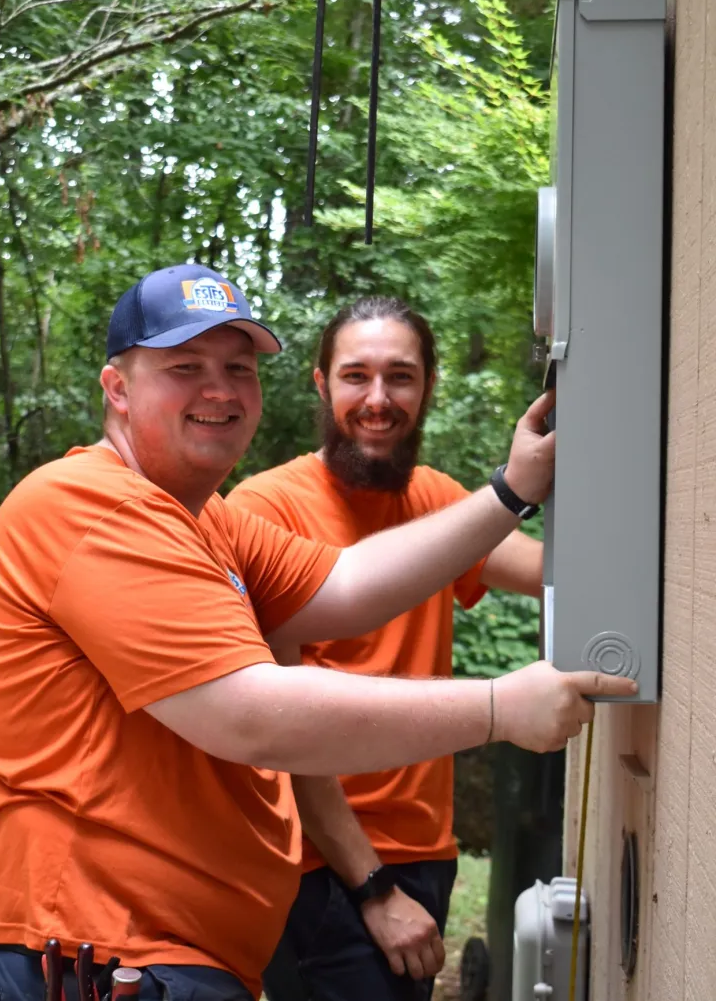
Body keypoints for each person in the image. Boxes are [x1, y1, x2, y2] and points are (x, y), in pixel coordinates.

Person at [0, 264, 634, 1001]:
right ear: (117, 388)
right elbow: (248, 713)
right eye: (185, 367)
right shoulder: (95, 506)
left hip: (151, 950)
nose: (219, 389)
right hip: (83, 952)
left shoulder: (203, 517)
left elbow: (345, 584)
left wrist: (510, 492)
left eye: (238, 368)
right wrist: (497, 709)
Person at [227, 296, 545, 1001]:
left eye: (400, 376)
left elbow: (550, 572)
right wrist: (371, 887)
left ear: (429, 385)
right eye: (355, 376)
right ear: (320, 383)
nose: (378, 399)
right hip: (319, 867)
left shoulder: (436, 500)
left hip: (422, 857)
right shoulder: (264, 509)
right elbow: (282, 727)